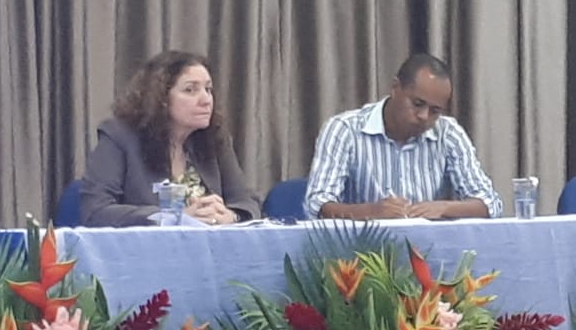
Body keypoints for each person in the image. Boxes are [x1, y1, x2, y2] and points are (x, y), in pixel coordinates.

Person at [304, 53, 502, 220]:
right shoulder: (345, 129)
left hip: (429, 250)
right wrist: (370, 212)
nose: (424, 116)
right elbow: (317, 203)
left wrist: (444, 208)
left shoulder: (448, 134)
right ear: (395, 88)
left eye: (435, 111)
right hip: (360, 249)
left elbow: (490, 202)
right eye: (417, 104)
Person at [80, 50, 261, 227]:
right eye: (190, 90)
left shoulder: (213, 139)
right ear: (160, 98)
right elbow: (95, 210)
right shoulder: (119, 136)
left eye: (208, 89)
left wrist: (230, 216)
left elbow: (248, 202)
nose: (206, 100)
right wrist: (173, 218)